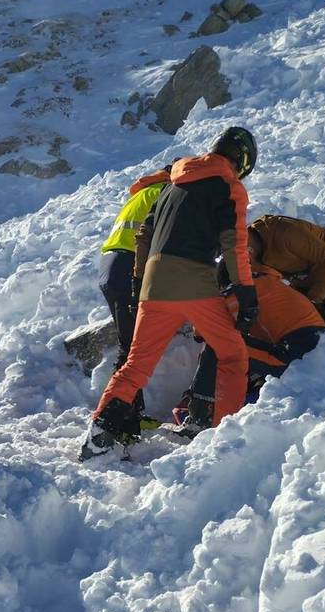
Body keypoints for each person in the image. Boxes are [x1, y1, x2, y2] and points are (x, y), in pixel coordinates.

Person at [81, 126, 259, 458]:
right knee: (232, 353)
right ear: (242, 161)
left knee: (136, 365)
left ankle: (100, 433)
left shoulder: (173, 184)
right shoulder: (228, 186)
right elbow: (234, 243)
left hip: (153, 283)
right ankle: (224, 439)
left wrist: (139, 282)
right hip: (193, 279)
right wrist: (245, 292)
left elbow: (144, 235)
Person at [178, 262, 325, 432]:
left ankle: (199, 418)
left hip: (292, 356)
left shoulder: (243, 292)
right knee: (240, 346)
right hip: (309, 353)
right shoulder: (269, 283)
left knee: (218, 344)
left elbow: (201, 332)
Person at [99, 166, 172, 366]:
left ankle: (125, 394)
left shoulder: (142, 194)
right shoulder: (166, 192)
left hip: (109, 265)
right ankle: (122, 395)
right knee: (133, 354)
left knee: (129, 345)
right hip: (129, 264)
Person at [248, 215, 325, 329]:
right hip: (307, 269)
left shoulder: (286, 233)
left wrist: (314, 299)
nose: (247, 261)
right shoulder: (253, 254)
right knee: (297, 317)